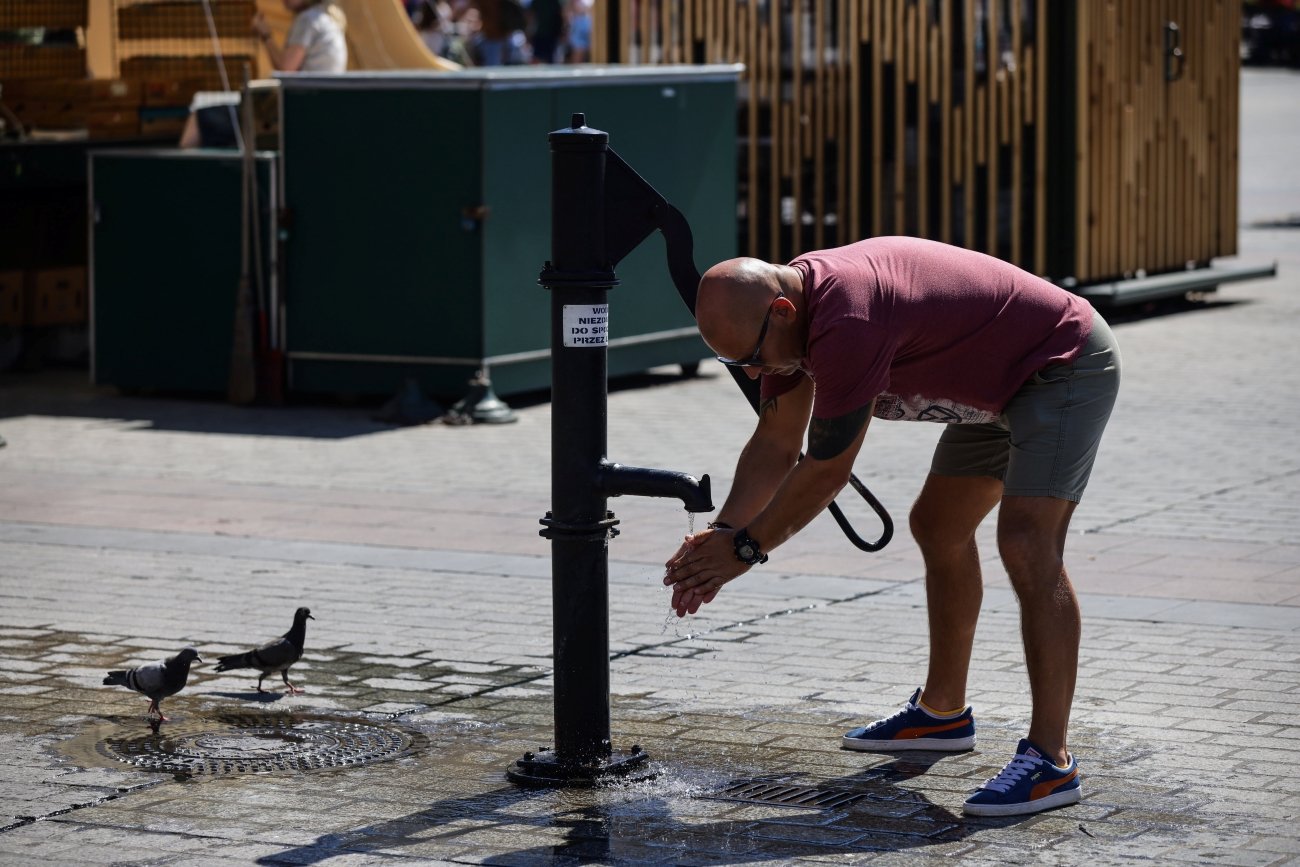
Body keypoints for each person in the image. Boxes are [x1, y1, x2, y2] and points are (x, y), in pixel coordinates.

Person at [663, 235, 1121, 818]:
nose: (752, 369)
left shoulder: (847, 318)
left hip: (1061, 363)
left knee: (1028, 543)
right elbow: (776, 443)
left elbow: (826, 469)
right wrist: (722, 535)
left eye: (751, 354)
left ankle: (1051, 761)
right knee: (938, 525)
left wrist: (747, 548)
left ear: (780, 310)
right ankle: (942, 714)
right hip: (999, 384)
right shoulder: (788, 323)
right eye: (736, 364)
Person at [252, 0, 348, 73]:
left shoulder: (308, 19)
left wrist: (266, 36)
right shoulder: (325, 16)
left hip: (312, 94)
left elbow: (286, 69)